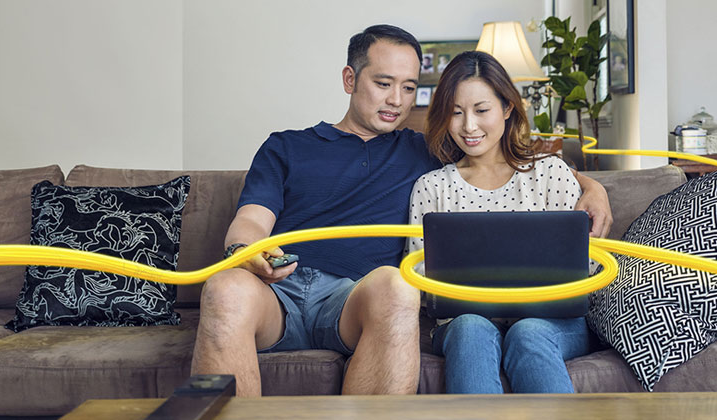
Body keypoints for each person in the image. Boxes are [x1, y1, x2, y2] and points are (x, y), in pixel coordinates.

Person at [191, 24, 612, 397]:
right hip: (278, 291)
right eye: (383, 83)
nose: (396, 100)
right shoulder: (286, 146)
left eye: (409, 88)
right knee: (225, 288)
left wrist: (593, 187)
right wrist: (247, 252)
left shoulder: (424, 151)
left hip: (355, 299)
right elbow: (251, 220)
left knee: (397, 285)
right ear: (350, 79)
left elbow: (505, 162)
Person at [405, 50, 606, 394]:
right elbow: (420, 279)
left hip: (551, 322)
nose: (469, 126)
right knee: (470, 327)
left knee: (528, 332)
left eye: (481, 110)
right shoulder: (432, 187)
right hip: (462, 322)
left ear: (508, 108)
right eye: (456, 112)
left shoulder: (549, 173)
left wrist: (595, 187)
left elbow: (585, 266)